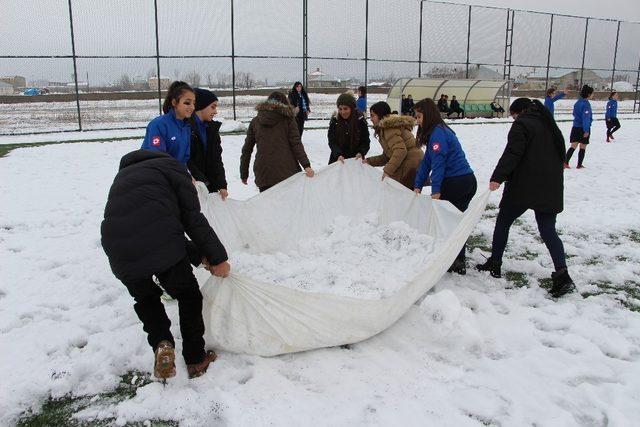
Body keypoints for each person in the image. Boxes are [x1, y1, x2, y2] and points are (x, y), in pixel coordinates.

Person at [101, 149, 231, 379]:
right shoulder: (173, 169)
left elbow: (154, 225)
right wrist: (218, 258)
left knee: (145, 298)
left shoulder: (123, 177)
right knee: (188, 295)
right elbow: (193, 220)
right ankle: (195, 359)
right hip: (157, 240)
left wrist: (199, 256)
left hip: (118, 248)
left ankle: (162, 344)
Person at [476, 98, 574, 298]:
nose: (512, 118)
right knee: (548, 231)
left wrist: (498, 177)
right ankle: (563, 275)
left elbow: (513, 153)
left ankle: (495, 263)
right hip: (549, 187)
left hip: (524, 187)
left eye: (512, 115)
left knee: (503, 222)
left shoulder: (522, 124)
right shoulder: (548, 123)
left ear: (518, 112)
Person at [413, 98, 476, 274]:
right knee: (455, 223)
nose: (417, 121)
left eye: (419, 117)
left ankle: (455, 261)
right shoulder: (438, 131)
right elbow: (427, 161)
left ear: (428, 114)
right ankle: (456, 259)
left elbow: (438, 164)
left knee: (450, 224)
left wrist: (436, 191)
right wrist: (417, 184)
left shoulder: (438, 134)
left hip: (457, 183)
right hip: (464, 180)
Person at [241, 91, 315, 192]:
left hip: (264, 172)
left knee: (268, 205)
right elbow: (296, 144)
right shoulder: (289, 120)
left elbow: (247, 149)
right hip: (287, 172)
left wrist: (244, 172)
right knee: (287, 206)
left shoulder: (255, 121)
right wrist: (306, 165)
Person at [363, 101, 423, 190]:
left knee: (403, 196)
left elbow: (400, 151)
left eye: (372, 115)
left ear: (380, 115)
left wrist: (387, 171)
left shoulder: (389, 128)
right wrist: (369, 161)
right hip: (411, 163)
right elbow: (388, 156)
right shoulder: (386, 129)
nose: (371, 119)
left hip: (410, 165)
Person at [188, 88, 228, 199]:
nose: (215, 111)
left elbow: (216, 159)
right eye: (213, 107)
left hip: (208, 187)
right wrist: (202, 182)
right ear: (201, 106)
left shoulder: (211, 129)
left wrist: (221, 184)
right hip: (193, 187)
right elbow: (186, 160)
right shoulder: (186, 128)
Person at [141, 81, 195, 164]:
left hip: (173, 173)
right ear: (174, 102)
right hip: (154, 173)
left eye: (194, 103)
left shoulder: (186, 127)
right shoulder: (158, 124)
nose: (192, 107)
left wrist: (186, 175)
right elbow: (158, 158)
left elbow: (184, 159)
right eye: (187, 103)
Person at [328, 92, 370, 164]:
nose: (343, 112)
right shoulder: (335, 122)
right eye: (340, 109)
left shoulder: (360, 121)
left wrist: (361, 152)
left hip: (356, 160)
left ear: (352, 108)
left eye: (345, 109)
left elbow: (365, 141)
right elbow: (332, 141)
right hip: (338, 160)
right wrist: (338, 154)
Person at [564, 85, 593, 169]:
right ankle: (579, 164)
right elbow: (586, 118)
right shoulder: (586, 104)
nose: (592, 95)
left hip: (575, 127)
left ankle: (565, 162)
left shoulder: (577, 102)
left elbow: (574, 113)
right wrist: (586, 130)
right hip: (583, 128)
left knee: (573, 145)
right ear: (588, 94)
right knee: (583, 146)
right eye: (592, 93)